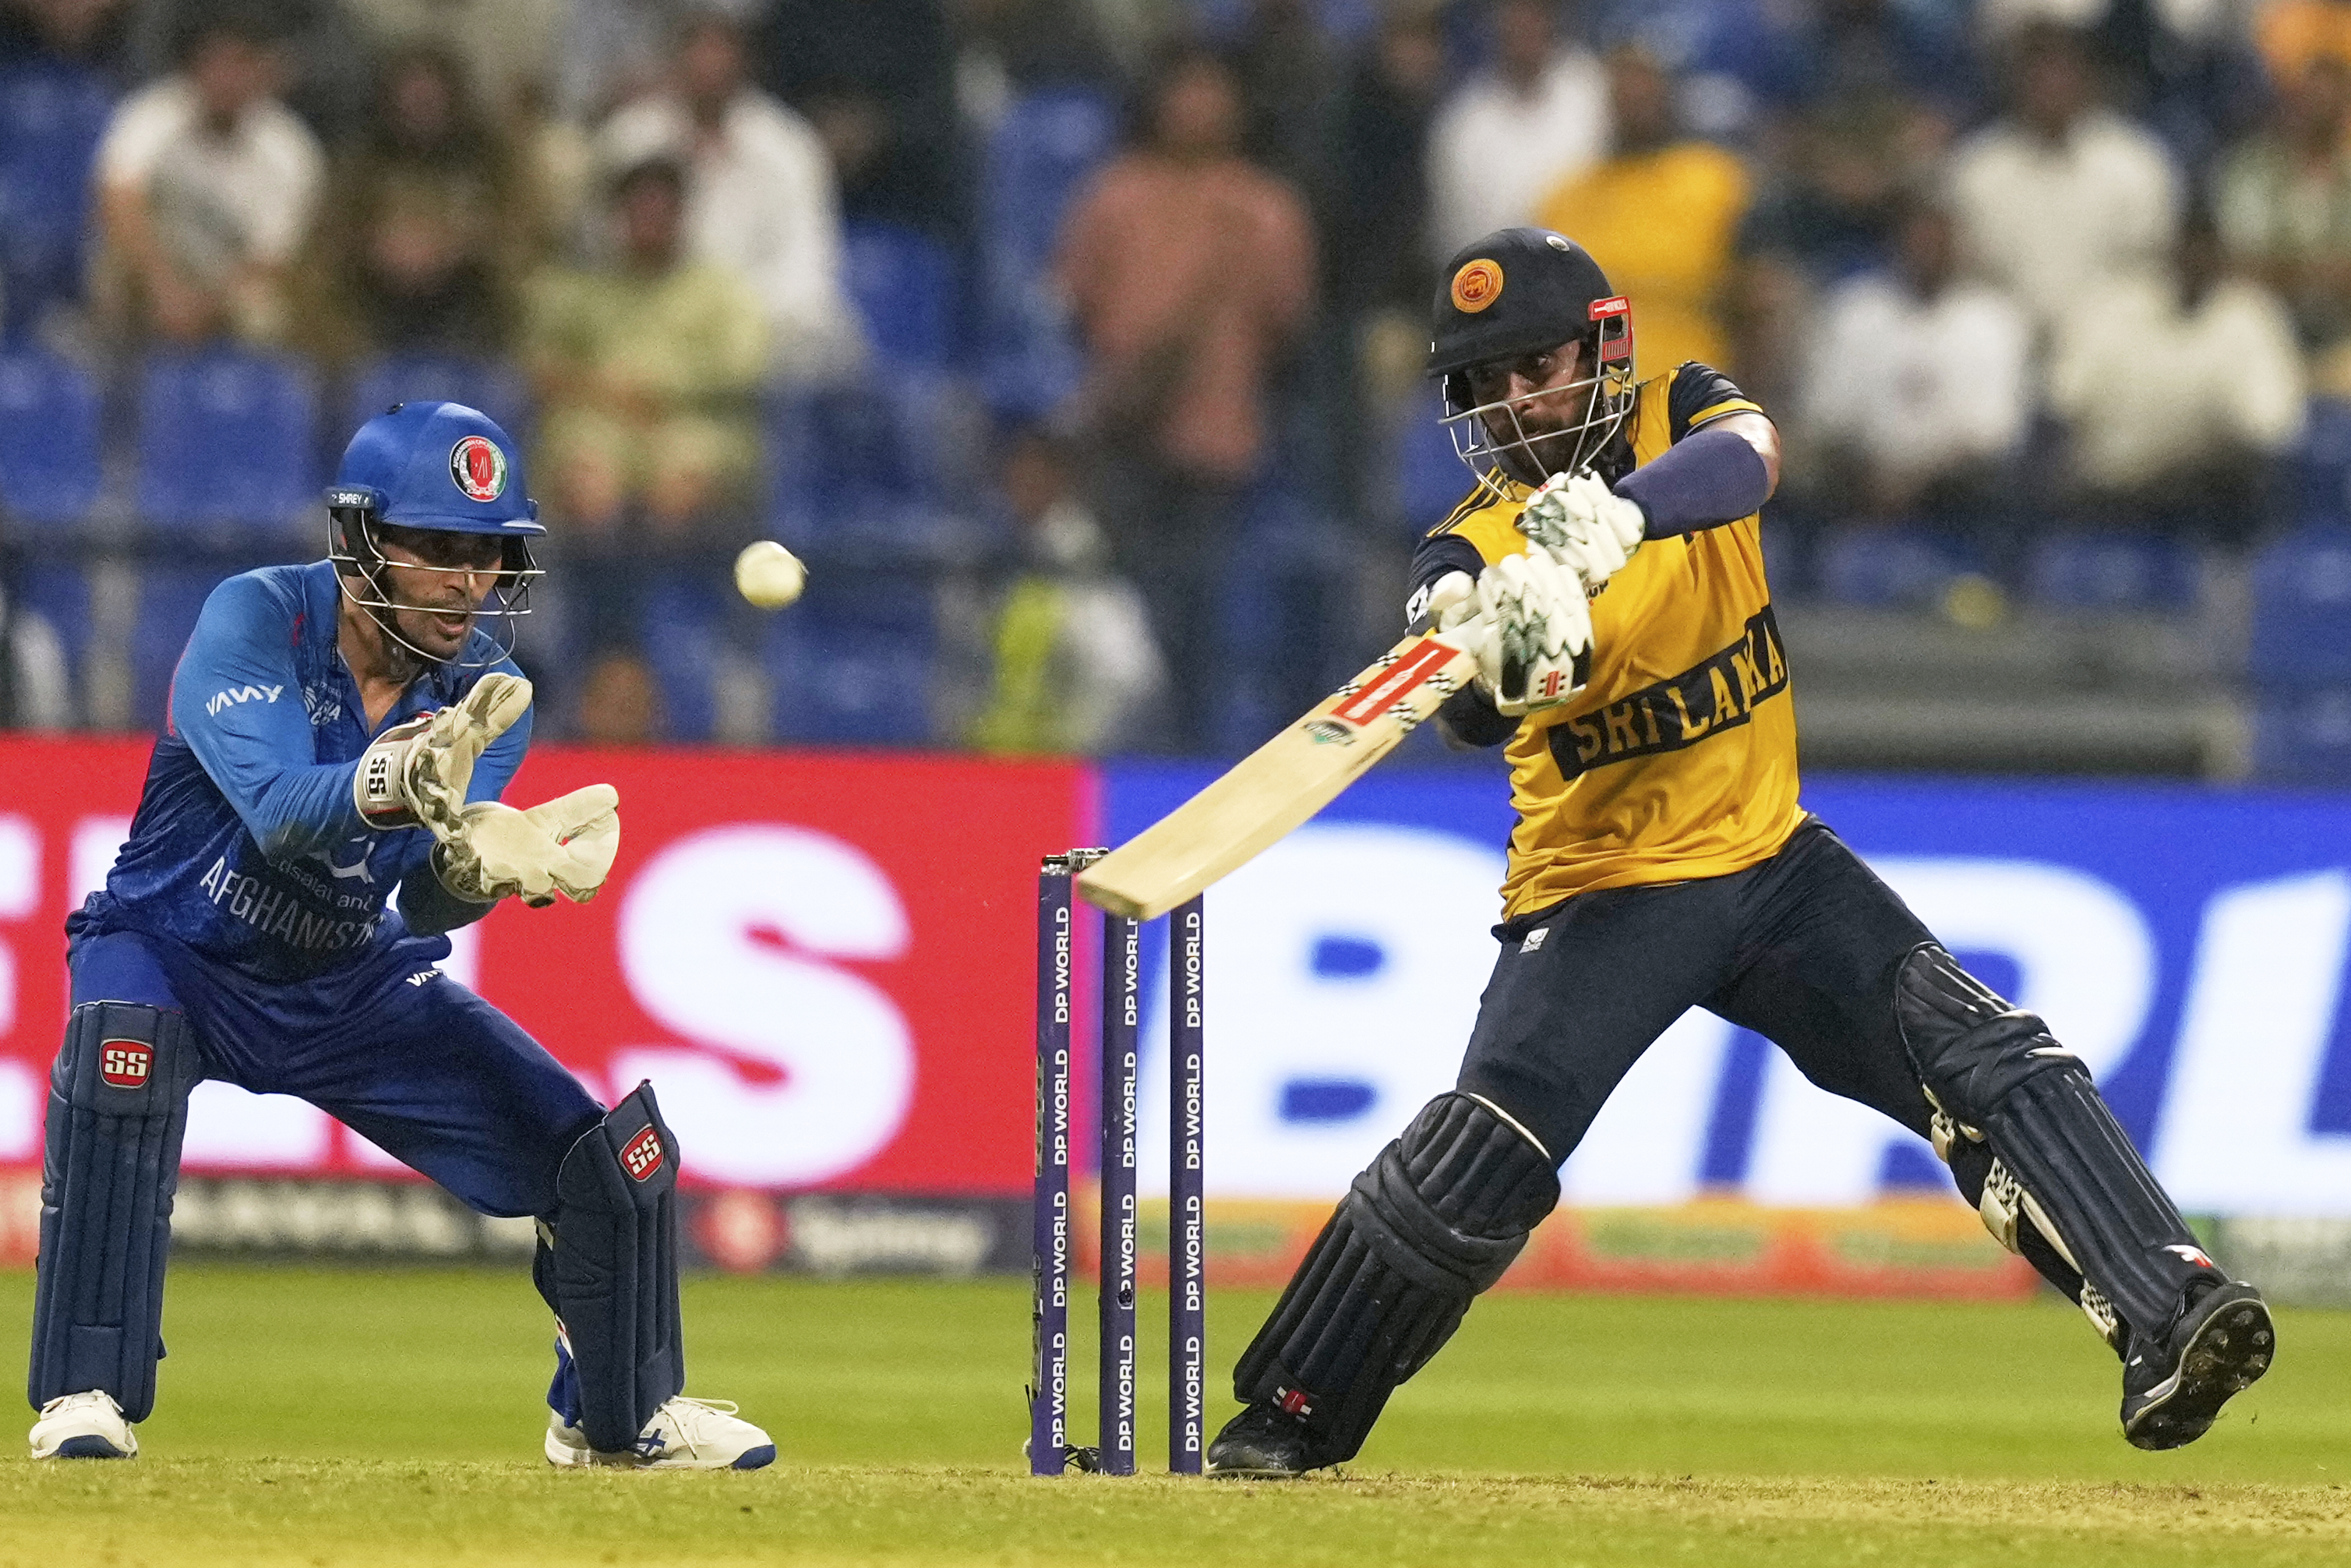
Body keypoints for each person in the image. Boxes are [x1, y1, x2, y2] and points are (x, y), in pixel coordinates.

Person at [1202, 226, 2275, 1477]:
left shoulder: (1682, 413)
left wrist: (1617, 521)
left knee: (1987, 1056)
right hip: (1603, 893)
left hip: (1772, 862)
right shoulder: (1474, 547)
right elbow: (1469, 702)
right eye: (1483, 385)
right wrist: (1496, 640)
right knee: (1478, 1159)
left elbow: (1753, 459)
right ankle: (1281, 1420)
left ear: (1600, 348)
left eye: (1532, 366)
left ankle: (2170, 1313)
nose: (1512, 403)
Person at [26, 401, 774, 1471]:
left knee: (602, 1160)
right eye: (438, 550)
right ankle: (85, 1397)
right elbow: (281, 809)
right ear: (359, 541)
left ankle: (617, 1421)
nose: (469, 582)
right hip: (174, 948)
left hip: (345, 984)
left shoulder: (484, 695)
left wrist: (477, 873)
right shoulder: (257, 618)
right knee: (120, 1063)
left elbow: (418, 905)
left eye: (489, 554)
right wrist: (401, 780)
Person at [1055, 45, 1313, 753]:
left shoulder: (1265, 208)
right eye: (1184, 89)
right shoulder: (1113, 198)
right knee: (1119, 615)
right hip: (1122, 439)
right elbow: (1075, 306)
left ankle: (1194, 751)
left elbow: (1288, 324)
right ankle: (1123, 748)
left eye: (1212, 90)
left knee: (1198, 618)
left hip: (1218, 442)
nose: (1197, 107)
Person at [598, 8, 861, 384]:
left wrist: (724, 335)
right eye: (698, 44)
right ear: (673, 53)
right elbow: (600, 262)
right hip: (639, 350)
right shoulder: (628, 141)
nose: (710, 61)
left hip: (758, 362)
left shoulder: (790, 150)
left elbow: (807, 280)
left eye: (723, 46)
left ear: (748, 59)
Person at [90, 5, 323, 346]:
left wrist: (204, 307)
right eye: (215, 63)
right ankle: (115, 383)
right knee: (112, 270)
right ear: (192, 68)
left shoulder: (290, 148)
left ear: (264, 73)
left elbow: (272, 258)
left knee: (266, 309)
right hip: (159, 264)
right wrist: (165, 287)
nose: (226, 77)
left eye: (240, 65)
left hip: (230, 278)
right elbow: (118, 203)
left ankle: (244, 393)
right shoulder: (151, 114)